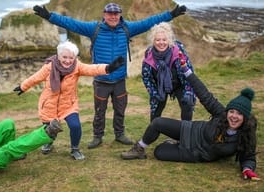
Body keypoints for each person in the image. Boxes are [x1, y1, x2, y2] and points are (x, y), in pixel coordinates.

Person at [33, 2, 187, 149]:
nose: (113, 17)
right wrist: (49, 16)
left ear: (120, 15)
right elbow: (71, 23)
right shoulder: (94, 28)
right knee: (99, 111)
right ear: (104, 15)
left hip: (119, 80)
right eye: (110, 14)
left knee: (120, 110)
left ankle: (119, 134)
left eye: (116, 14)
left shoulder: (127, 28)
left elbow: (149, 22)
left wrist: (171, 14)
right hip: (101, 80)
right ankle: (97, 136)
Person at [120, 56, 260, 181]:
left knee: (159, 152)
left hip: (195, 153)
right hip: (191, 130)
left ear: (245, 118)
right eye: (232, 112)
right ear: (228, 111)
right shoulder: (221, 114)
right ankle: (139, 149)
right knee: (157, 123)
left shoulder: (246, 134)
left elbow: (248, 156)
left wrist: (247, 169)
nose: (234, 116)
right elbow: (204, 95)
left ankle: (175, 143)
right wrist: (187, 71)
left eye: (239, 114)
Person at [13, 41, 125, 160]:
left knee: (75, 126)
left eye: (71, 57)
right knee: (49, 130)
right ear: (58, 55)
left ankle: (75, 149)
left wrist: (108, 68)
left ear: (75, 58)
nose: (67, 60)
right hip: (49, 105)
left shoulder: (77, 67)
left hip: (68, 104)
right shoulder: (49, 67)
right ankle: (48, 142)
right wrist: (23, 86)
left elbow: (92, 69)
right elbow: (35, 78)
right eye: (64, 57)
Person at [142, 22, 195, 122]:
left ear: (169, 40)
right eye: (157, 40)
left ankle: (186, 132)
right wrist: (153, 93)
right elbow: (146, 77)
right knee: (156, 108)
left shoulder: (178, 52)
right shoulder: (149, 55)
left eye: (164, 39)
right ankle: (152, 133)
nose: (161, 43)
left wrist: (188, 91)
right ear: (153, 41)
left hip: (179, 84)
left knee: (187, 105)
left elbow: (189, 72)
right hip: (159, 86)